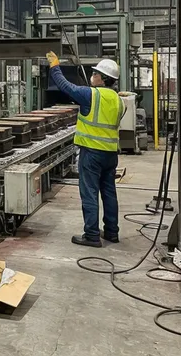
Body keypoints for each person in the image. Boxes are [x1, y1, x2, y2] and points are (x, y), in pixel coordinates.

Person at [46, 51, 124, 247]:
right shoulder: (119, 100)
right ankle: (112, 232)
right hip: (111, 154)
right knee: (108, 192)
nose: (93, 75)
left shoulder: (91, 95)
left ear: (102, 78)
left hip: (91, 154)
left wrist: (55, 66)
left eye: (95, 73)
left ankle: (91, 235)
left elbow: (65, 86)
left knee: (89, 192)